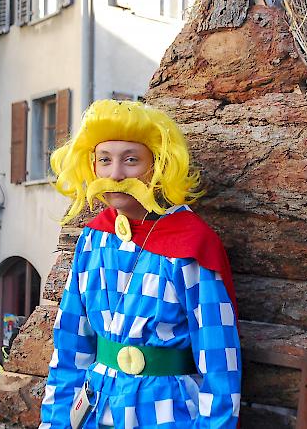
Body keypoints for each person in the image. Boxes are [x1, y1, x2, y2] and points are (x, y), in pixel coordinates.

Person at [40, 100, 241, 428]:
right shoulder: (93, 239)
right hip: (94, 412)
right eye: (104, 160)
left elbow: (221, 367)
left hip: (166, 415)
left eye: (130, 160)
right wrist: (55, 423)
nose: (115, 174)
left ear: (158, 165)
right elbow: (69, 350)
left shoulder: (191, 244)